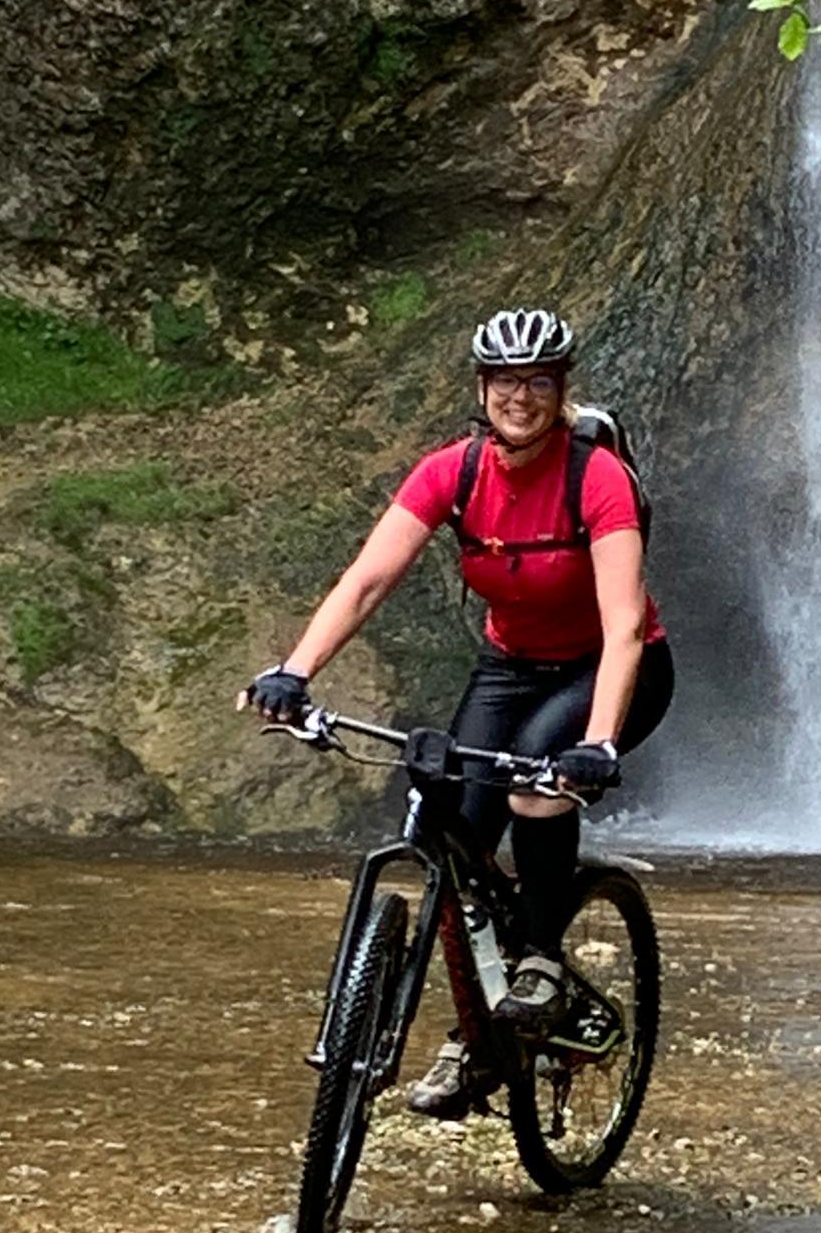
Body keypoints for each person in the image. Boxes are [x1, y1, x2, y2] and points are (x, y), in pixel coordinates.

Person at [244, 307, 674, 1118]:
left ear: (561, 390)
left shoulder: (596, 477)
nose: (521, 396)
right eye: (505, 381)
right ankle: (480, 1038)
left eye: (538, 381)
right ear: (482, 390)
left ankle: (541, 959)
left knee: (536, 787)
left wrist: (597, 744)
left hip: (614, 668)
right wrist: (294, 672)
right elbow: (367, 580)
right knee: (454, 839)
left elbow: (623, 623)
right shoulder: (454, 472)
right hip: (510, 668)